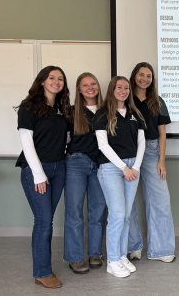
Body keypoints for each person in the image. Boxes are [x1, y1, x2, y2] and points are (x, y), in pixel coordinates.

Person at [16, 66, 71, 288]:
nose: (56, 82)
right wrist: (39, 174)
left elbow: (64, 138)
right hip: (36, 171)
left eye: (60, 79)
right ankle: (42, 272)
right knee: (43, 222)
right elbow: (26, 141)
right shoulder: (29, 106)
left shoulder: (61, 109)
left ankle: (42, 269)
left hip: (59, 168)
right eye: (51, 78)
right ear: (42, 81)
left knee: (45, 220)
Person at [94, 76, 146, 278]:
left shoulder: (135, 114)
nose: (123, 91)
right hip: (112, 168)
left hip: (134, 168)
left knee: (125, 215)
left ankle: (122, 255)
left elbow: (141, 142)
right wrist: (124, 167)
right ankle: (113, 260)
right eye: (119, 87)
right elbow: (102, 145)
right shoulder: (103, 113)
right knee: (116, 215)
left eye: (126, 88)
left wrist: (136, 167)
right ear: (112, 89)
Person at [127, 62, 175, 262]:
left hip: (152, 150)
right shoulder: (125, 97)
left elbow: (162, 132)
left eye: (148, 75)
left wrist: (161, 160)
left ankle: (162, 249)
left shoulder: (158, 100)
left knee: (160, 200)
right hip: (127, 150)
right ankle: (133, 247)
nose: (145, 78)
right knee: (126, 202)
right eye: (141, 74)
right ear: (134, 76)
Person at [64, 73, 106, 274]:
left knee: (97, 212)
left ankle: (95, 253)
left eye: (93, 83)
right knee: (74, 212)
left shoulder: (108, 111)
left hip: (100, 165)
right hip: (76, 164)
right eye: (85, 85)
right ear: (79, 89)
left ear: (98, 86)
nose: (90, 87)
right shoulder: (71, 112)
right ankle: (75, 257)